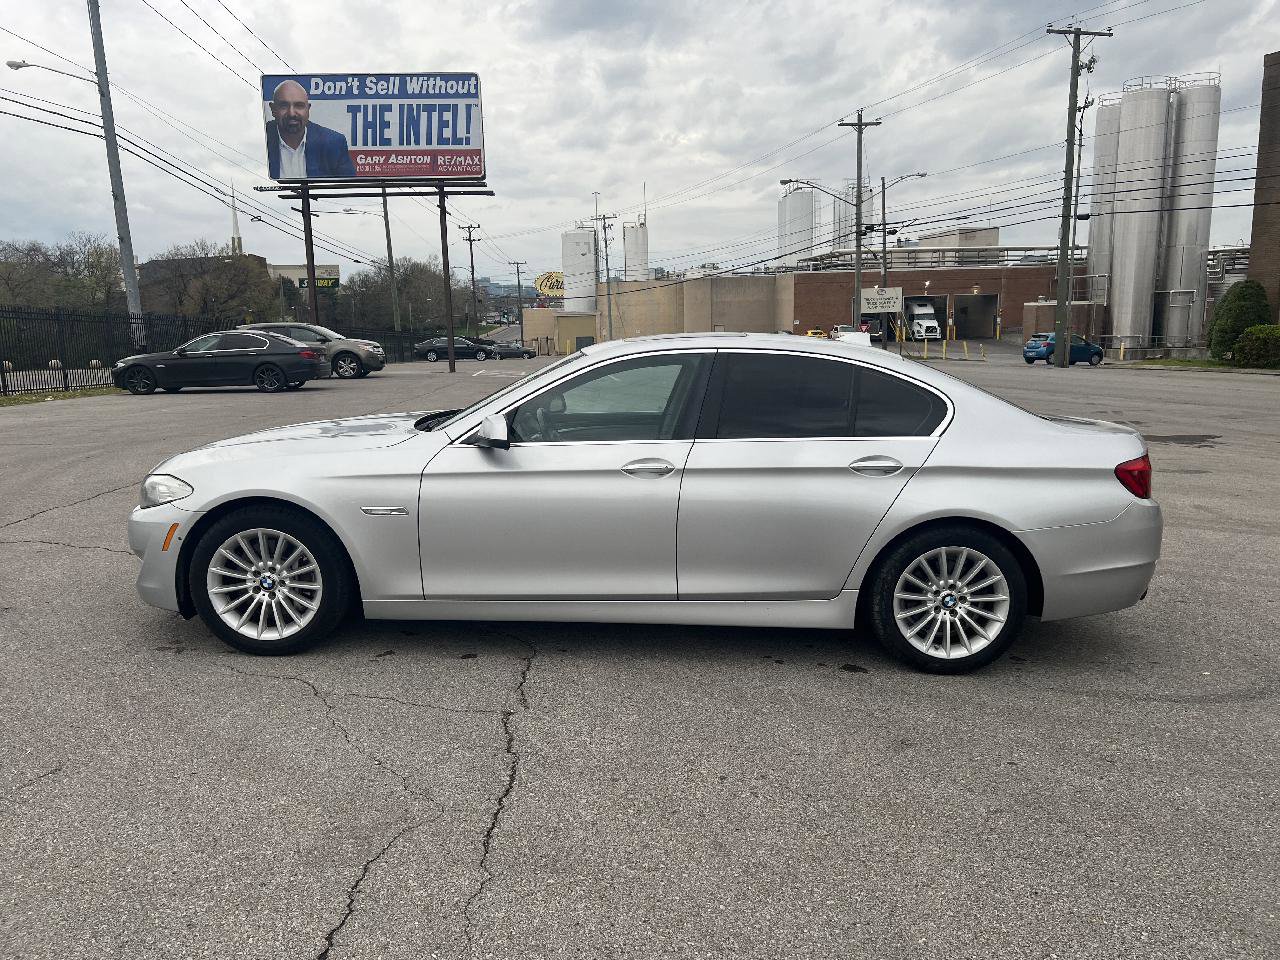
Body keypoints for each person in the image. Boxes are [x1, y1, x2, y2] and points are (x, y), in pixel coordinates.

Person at [264, 80, 357, 180]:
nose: (291, 113)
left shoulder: (334, 143)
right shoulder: (263, 137)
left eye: (299, 106)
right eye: (284, 106)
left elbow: (349, 186)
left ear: (308, 109)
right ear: (273, 109)